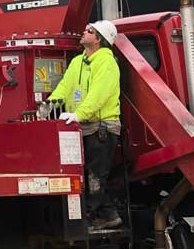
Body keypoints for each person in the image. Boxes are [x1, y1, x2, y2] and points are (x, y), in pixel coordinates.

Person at [47, 19, 123, 231]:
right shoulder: (78, 61)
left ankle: (90, 218)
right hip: (83, 126)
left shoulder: (107, 63)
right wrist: (49, 105)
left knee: (94, 175)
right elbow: (65, 86)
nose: (83, 31)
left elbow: (98, 95)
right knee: (90, 174)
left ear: (99, 39)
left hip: (101, 127)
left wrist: (79, 114)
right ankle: (108, 215)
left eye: (89, 31)